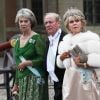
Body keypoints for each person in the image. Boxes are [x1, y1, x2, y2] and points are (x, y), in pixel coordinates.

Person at [0, 8, 48, 100]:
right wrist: (16, 84)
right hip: (22, 81)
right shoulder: (17, 41)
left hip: (35, 79)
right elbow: (18, 65)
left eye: (26, 21)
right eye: (20, 21)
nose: (23, 23)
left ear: (31, 22)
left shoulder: (37, 39)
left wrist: (27, 63)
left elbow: (43, 60)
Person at [57, 7, 100, 100]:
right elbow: (61, 65)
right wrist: (61, 58)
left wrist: (84, 62)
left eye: (77, 20)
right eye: (71, 22)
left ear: (82, 23)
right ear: (67, 25)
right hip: (70, 79)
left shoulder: (91, 38)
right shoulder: (64, 41)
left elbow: (98, 61)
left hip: (86, 78)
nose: (75, 23)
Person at [43, 12, 66, 100]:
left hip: (65, 80)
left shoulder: (65, 38)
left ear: (58, 23)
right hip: (55, 81)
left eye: (50, 22)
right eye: (46, 23)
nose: (48, 25)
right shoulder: (48, 40)